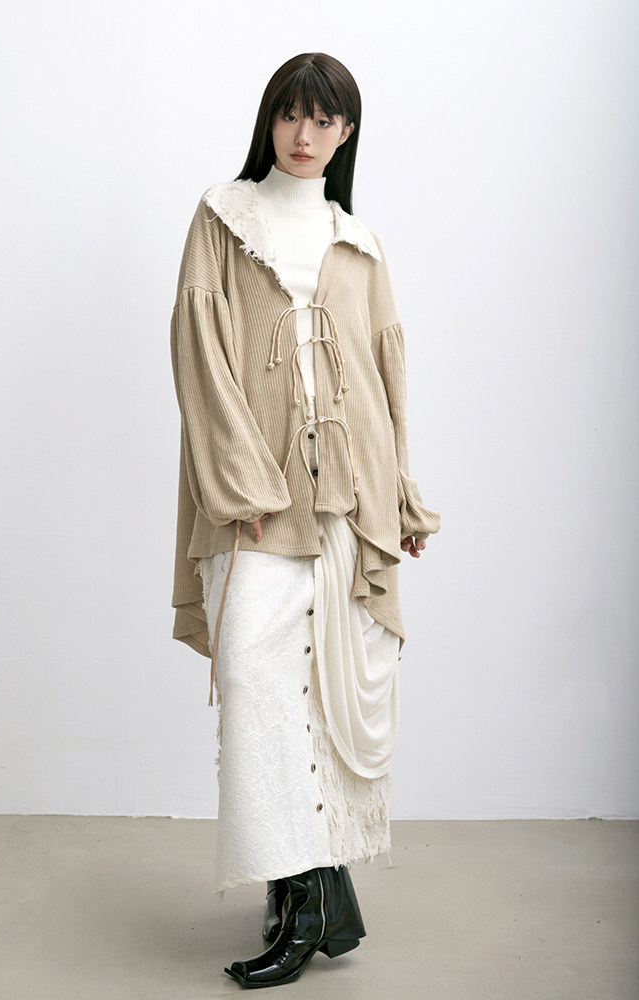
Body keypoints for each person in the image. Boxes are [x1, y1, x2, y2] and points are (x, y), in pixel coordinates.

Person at [170, 52, 440, 989]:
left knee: (318, 695)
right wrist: (241, 484)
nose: (304, 133)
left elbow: (383, 374)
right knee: (256, 680)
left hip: (349, 499)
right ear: (269, 120)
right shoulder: (222, 218)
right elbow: (201, 354)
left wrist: (399, 497)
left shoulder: (358, 242)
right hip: (258, 500)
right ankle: (321, 896)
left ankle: (305, 899)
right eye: (290, 114)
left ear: (345, 133)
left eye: (324, 120)